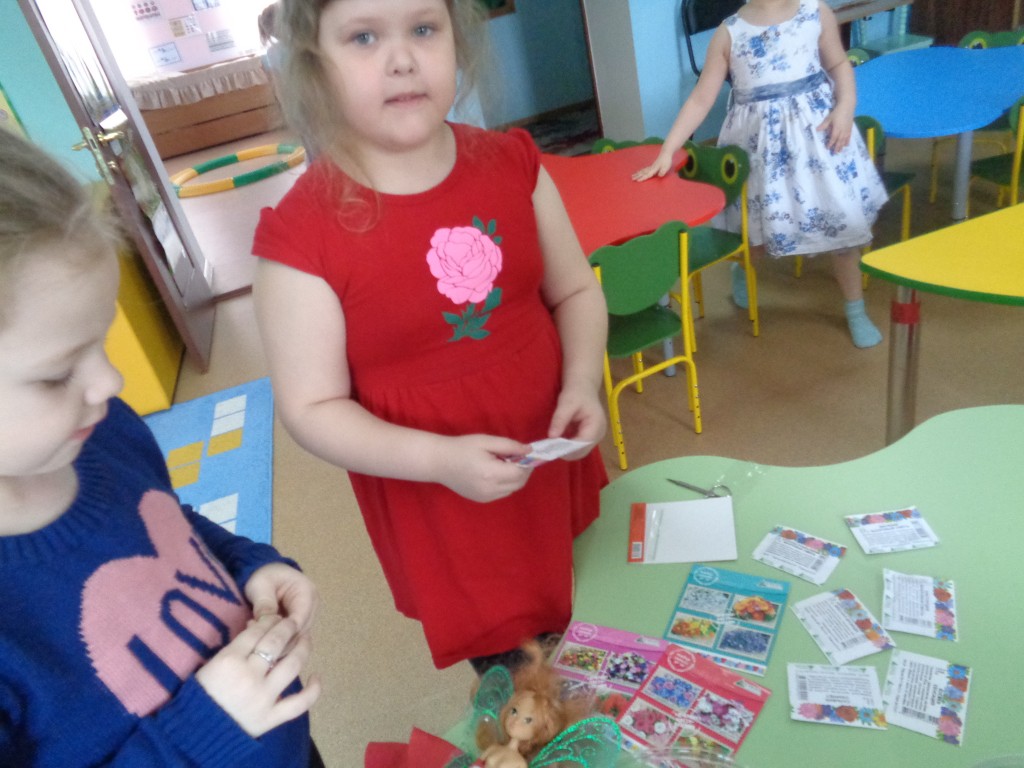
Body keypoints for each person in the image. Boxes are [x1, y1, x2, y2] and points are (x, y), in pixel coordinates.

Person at [251, 0, 609, 672]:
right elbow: (312, 409)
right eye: (363, 37)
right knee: (521, 679)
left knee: (600, 617)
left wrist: (584, 379)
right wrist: (439, 461)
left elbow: (576, 292)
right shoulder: (300, 238)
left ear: (456, 38)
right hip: (446, 508)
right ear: (314, 63)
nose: (402, 59)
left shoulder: (513, 163)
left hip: (550, 468)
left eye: (423, 28)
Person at [0, 129, 323, 766]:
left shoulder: (101, 434)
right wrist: (207, 728)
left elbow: (165, 524)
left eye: (102, 339)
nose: (109, 383)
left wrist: (249, 565)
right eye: (57, 374)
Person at [634, 0, 889, 349]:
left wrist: (845, 108)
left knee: (843, 228)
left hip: (818, 144)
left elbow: (838, 64)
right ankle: (742, 269)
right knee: (755, 232)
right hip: (759, 151)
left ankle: (856, 309)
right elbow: (701, 99)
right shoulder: (729, 32)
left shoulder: (815, 11)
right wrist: (668, 149)